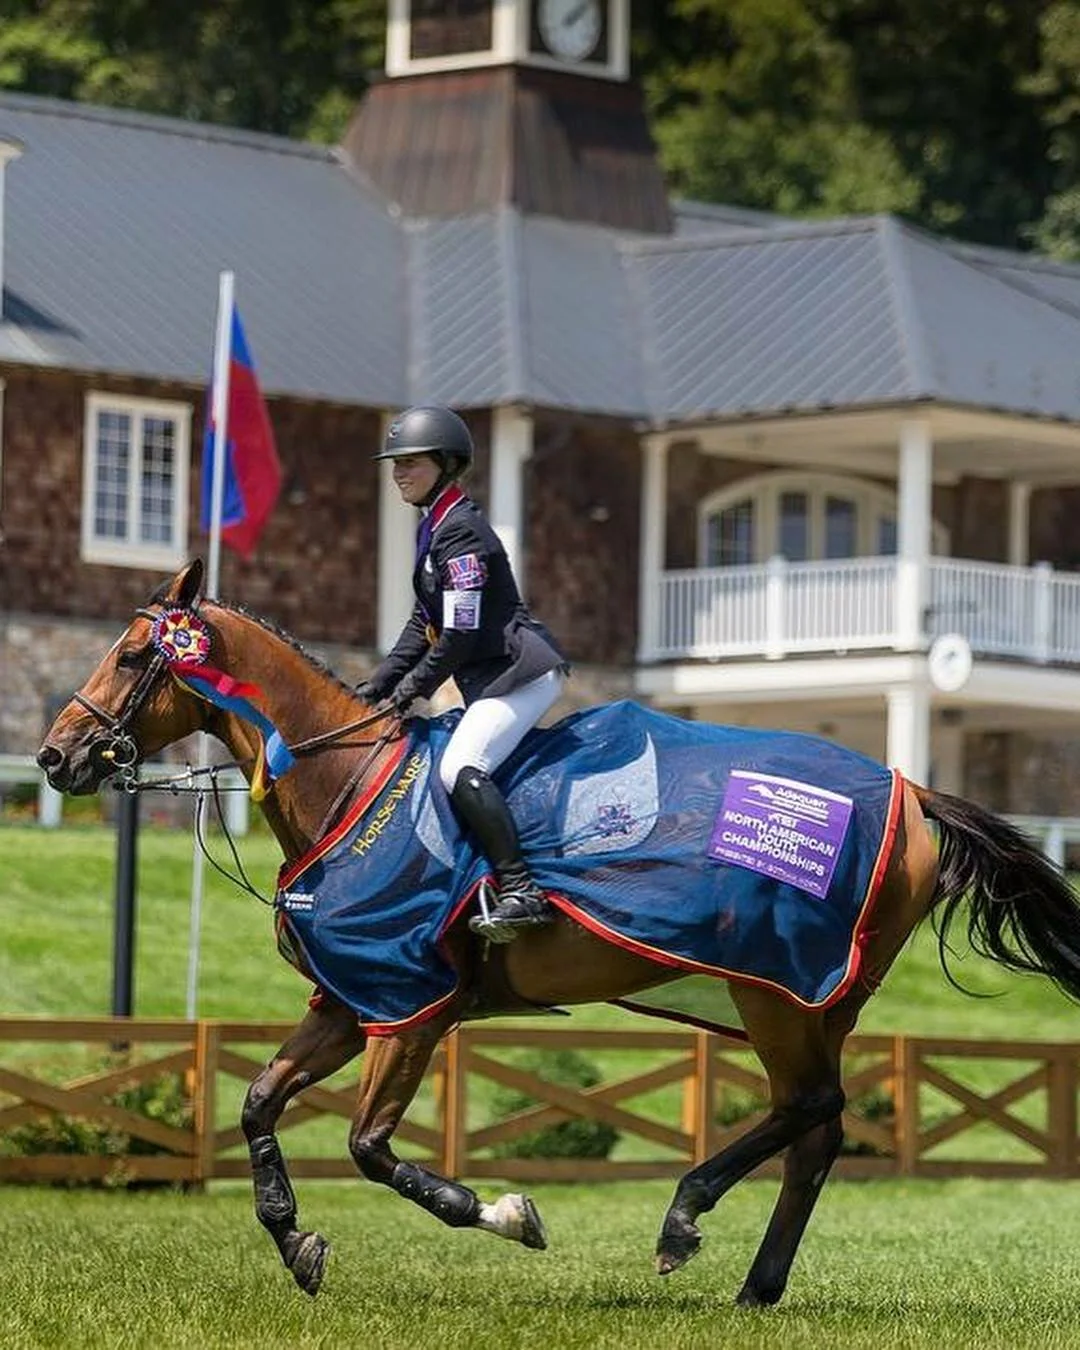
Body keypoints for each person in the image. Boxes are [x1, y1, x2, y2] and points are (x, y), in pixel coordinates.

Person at [358, 405, 569, 943]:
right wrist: (375, 685)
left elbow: (459, 635)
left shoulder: (463, 533)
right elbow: (421, 623)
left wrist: (409, 693)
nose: (398, 473)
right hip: (492, 677)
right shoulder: (436, 526)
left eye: (411, 462)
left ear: (447, 463)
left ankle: (522, 889)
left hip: (520, 675)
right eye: (395, 463)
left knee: (461, 767)